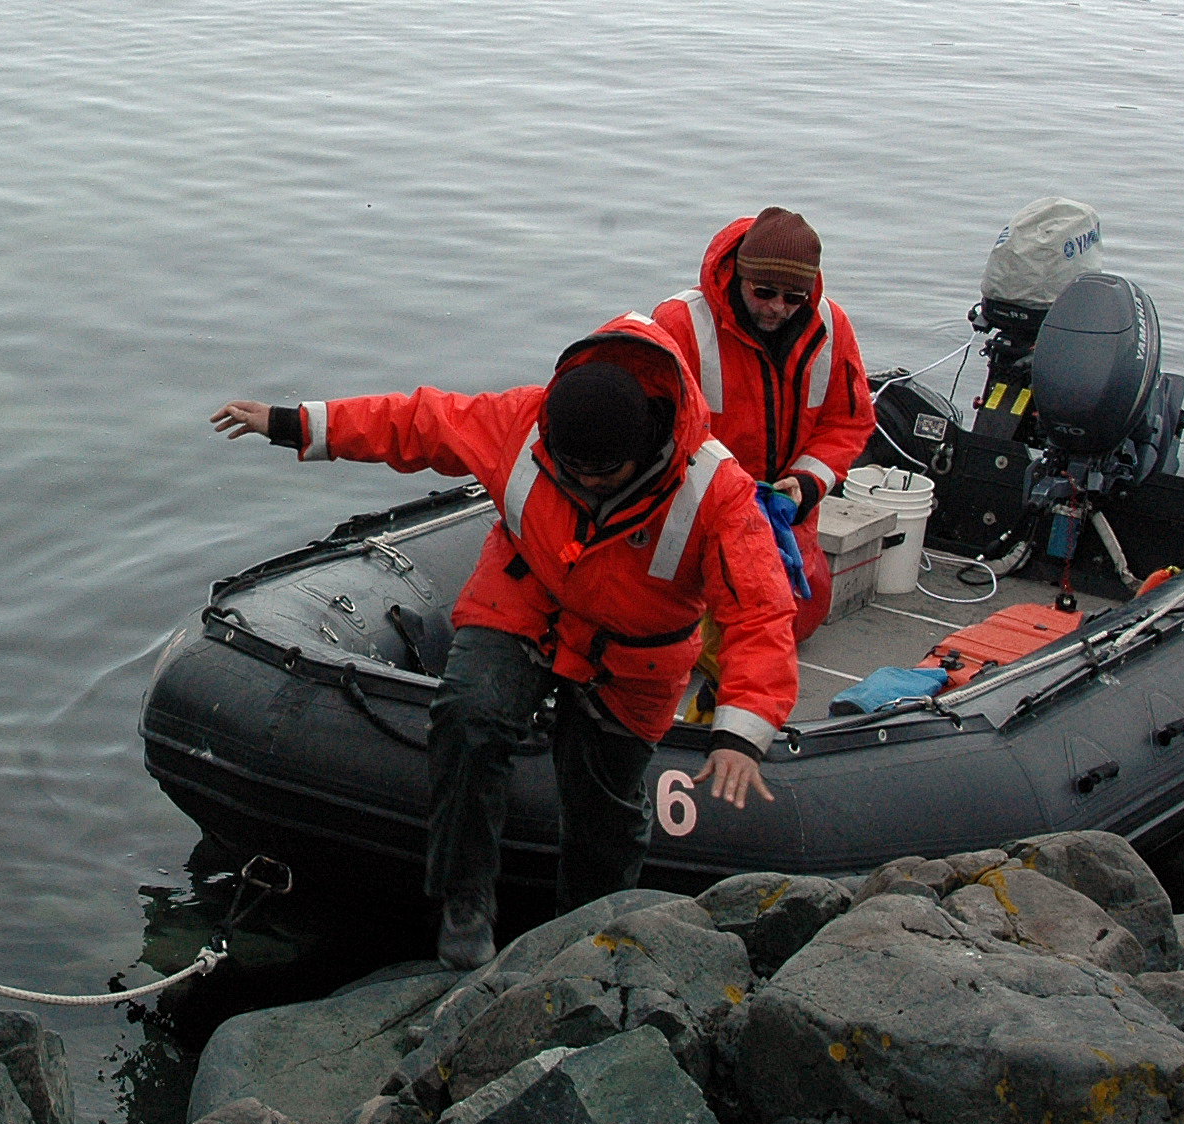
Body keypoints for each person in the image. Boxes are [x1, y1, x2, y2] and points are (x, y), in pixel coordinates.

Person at [213, 315, 798, 968]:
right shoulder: (523, 423)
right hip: (525, 599)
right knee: (468, 716)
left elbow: (760, 614)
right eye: (571, 468)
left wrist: (740, 733)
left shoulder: (716, 491)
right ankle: (465, 902)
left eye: (601, 473)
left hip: (635, 654)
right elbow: (417, 423)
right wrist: (292, 423)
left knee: (605, 807)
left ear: (646, 446)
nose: (585, 483)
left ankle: (587, 940)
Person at [654, 209, 871, 643]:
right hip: (695, 514)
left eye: (794, 298)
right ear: (739, 277)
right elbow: (658, 436)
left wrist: (805, 484)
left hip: (783, 514)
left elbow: (848, 422)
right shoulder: (680, 324)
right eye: (765, 291)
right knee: (673, 629)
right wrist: (729, 497)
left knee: (792, 622)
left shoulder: (831, 327)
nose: (777, 308)